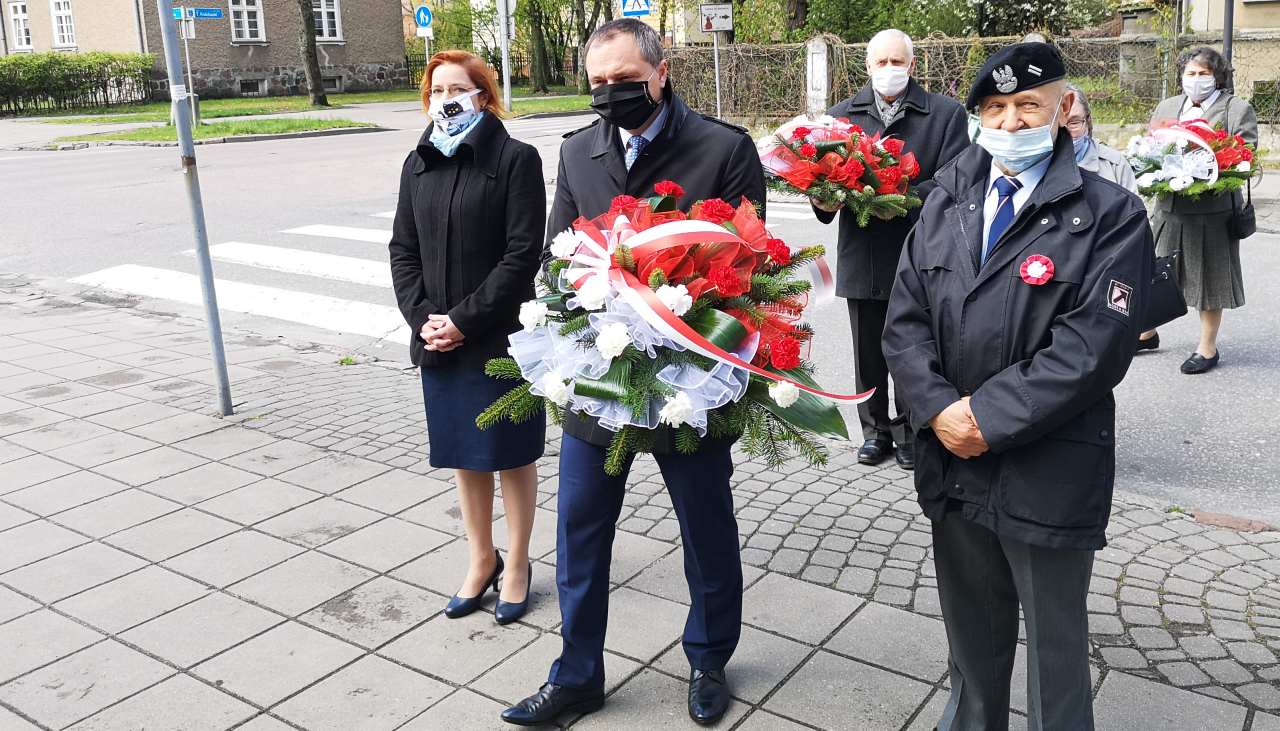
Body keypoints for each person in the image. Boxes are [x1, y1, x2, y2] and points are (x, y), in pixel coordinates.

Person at [500, 18, 765, 728]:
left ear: (660, 70)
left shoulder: (722, 148)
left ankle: (709, 658)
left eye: (624, 80)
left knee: (706, 526)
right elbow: (557, 259)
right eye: (598, 83)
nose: (611, 94)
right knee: (581, 528)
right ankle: (577, 673)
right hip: (600, 379)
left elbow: (746, 273)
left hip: (689, 384)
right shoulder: (579, 149)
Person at [883, 43, 1153, 730]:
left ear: (1062, 109)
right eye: (994, 109)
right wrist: (941, 411)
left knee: (1056, 653)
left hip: (1048, 465)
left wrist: (983, 417)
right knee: (971, 638)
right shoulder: (946, 198)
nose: (1009, 123)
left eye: (1026, 105)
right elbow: (904, 321)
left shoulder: (1111, 214)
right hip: (954, 461)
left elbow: (1092, 348)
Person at [388, 50, 545, 626]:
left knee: (511, 455)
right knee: (465, 456)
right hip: (437, 340)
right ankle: (482, 558)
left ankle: (521, 562)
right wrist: (425, 319)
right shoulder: (418, 161)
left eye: (458, 87)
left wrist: (464, 321)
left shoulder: (515, 159)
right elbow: (403, 250)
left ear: (484, 94)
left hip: (499, 340)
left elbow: (523, 254)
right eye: (436, 89)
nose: (445, 98)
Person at [811, 28, 969, 470]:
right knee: (868, 350)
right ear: (867, 66)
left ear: (912, 65)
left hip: (923, 253)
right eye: (881, 63)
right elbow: (823, 184)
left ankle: (910, 431)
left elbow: (956, 182)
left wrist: (900, 199)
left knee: (918, 347)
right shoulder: (841, 118)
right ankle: (875, 430)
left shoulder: (944, 115)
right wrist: (821, 198)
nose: (889, 70)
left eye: (897, 62)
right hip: (864, 255)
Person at [1139, 46, 1258, 369]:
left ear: (1218, 76)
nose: (1196, 80)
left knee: (1209, 280)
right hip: (1169, 207)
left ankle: (1207, 348)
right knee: (1156, 272)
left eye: (1203, 73)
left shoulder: (1236, 109)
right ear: (1180, 77)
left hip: (1213, 213)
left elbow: (1245, 156)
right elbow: (1151, 147)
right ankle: (1147, 332)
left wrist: (1206, 170)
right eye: (1190, 73)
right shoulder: (1168, 106)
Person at [1064, 82, 1138, 194]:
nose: (1065, 132)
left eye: (1074, 123)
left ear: (1088, 121)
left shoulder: (1115, 166)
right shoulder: (1036, 166)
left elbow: (1134, 209)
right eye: (1057, 125)